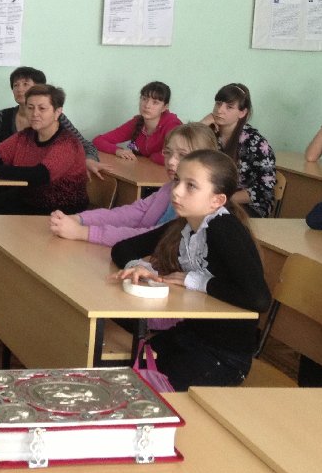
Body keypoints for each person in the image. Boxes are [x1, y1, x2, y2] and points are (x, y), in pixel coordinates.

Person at [111, 150, 271, 391]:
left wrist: (197, 281)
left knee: (145, 391)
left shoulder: (224, 229)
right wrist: (140, 268)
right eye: (177, 180)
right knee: (126, 373)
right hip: (189, 337)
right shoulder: (186, 224)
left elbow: (259, 299)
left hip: (225, 356)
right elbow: (123, 248)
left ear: (217, 200)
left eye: (191, 186)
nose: (176, 191)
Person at [0, 85, 88, 306]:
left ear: (58, 112)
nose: (35, 113)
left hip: (58, 208)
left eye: (42, 108)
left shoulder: (67, 143)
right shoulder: (26, 136)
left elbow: (40, 175)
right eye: (30, 107)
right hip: (30, 197)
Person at [52, 122, 218, 246]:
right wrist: (80, 219)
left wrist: (83, 232)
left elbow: (152, 238)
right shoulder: (169, 188)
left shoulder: (199, 203)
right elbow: (131, 214)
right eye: (168, 153)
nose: (171, 161)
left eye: (182, 155)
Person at [0, 65, 105, 177]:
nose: (19, 89)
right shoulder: (6, 117)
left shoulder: (57, 120)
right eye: (15, 85)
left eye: (25, 84)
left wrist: (89, 160)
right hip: (6, 180)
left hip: (40, 184)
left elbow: (84, 146)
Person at [200, 83, 276, 217]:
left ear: (242, 112)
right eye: (218, 104)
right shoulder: (210, 133)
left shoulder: (256, 143)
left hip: (246, 205)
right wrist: (201, 125)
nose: (220, 110)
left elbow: (265, 190)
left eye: (229, 107)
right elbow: (186, 158)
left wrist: (221, 201)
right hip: (214, 200)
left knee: (208, 218)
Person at [93, 81, 182, 164]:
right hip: (142, 171)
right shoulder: (137, 122)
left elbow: (174, 156)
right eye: (144, 99)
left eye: (155, 102)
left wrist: (151, 157)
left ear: (164, 107)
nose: (147, 105)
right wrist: (118, 151)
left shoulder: (173, 126)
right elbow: (98, 141)